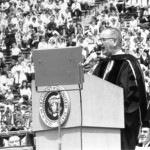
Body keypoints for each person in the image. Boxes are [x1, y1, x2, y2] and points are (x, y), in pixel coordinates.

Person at [93, 27, 148, 150]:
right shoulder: (102, 64)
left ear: (114, 41)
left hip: (122, 124)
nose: (100, 43)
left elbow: (131, 97)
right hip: (100, 122)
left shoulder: (128, 63)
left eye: (103, 40)